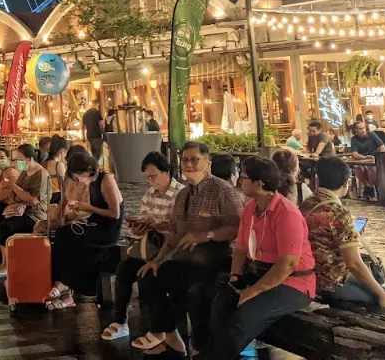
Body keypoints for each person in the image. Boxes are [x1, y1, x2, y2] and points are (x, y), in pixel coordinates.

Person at [130, 141, 244, 354]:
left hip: (217, 262)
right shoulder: (183, 195)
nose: (189, 164)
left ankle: (202, 348)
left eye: (195, 159)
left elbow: (238, 228)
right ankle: (168, 334)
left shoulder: (222, 191)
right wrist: (157, 260)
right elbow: (174, 235)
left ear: (207, 163)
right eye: (185, 160)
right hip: (186, 261)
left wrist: (206, 235)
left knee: (196, 293)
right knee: (147, 275)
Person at [201, 156, 315, 360]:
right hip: (260, 273)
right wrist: (235, 276)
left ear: (258, 184)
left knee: (245, 316)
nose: (239, 181)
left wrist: (253, 291)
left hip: (294, 283)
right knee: (221, 303)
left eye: (243, 177)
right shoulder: (251, 209)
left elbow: (288, 264)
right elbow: (241, 248)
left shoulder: (286, 213)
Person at [101, 151, 181, 341]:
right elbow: (143, 227)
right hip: (151, 245)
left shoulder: (180, 194)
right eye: (147, 177)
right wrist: (138, 227)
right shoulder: (149, 195)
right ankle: (120, 321)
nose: (151, 180)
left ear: (167, 172)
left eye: (154, 175)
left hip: (171, 248)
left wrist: (156, 226)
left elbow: (178, 228)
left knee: (148, 276)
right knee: (124, 270)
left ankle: (158, 329)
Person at [300, 156, 385, 310]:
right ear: (346, 183)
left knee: (373, 274)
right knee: (383, 300)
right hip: (329, 284)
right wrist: (381, 295)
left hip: (308, 276)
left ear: (319, 180)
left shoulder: (306, 203)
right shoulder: (338, 213)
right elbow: (354, 264)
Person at [47, 151, 123, 309]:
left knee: (68, 236)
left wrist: (89, 208)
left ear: (89, 170)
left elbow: (114, 214)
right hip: (93, 224)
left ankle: (64, 284)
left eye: (80, 176)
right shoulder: (90, 183)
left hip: (107, 229)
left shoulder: (106, 180)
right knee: (62, 235)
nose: (80, 181)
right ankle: (63, 285)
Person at [0, 143, 50, 278]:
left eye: (19, 159)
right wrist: (12, 201)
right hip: (20, 208)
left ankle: (6, 265)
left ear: (29, 159)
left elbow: (34, 200)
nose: (16, 163)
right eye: (16, 159)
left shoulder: (41, 174)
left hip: (34, 215)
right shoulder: (25, 172)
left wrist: (14, 188)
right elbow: (15, 194)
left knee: (6, 225)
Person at [348, 122, 382, 199]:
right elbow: (354, 154)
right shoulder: (354, 139)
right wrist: (365, 157)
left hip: (374, 160)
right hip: (362, 160)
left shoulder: (372, 135)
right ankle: (368, 186)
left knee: (372, 169)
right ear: (355, 130)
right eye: (360, 129)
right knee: (358, 168)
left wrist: (379, 156)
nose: (363, 130)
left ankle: (370, 187)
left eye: (364, 128)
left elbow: (382, 146)